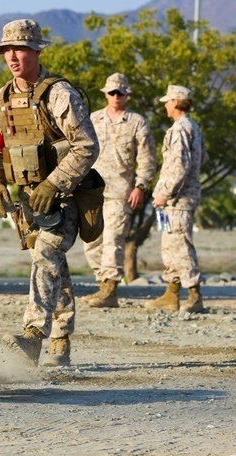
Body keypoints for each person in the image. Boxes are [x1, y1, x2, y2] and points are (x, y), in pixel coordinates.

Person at [0, 19, 99, 367]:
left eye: (20, 49)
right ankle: (61, 339)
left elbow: (86, 146)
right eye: (7, 50)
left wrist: (55, 183)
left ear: (36, 51)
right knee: (53, 267)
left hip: (66, 197)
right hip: (29, 200)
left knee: (46, 254)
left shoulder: (59, 94)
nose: (12, 57)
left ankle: (32, 337)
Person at [81, 73, 158, 308]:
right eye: (112, 92)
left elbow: (147, 158)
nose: (116, 96)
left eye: (120, 93)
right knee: (91, 241)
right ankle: (103, 281)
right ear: (105, 94)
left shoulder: (137, 123)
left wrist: (140, 185)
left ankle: (110, 289)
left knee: (114, 239)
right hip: (93, 190)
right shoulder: (93, 119)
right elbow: (81, 151)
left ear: (127, 95)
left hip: (121, 192)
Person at [147, 84, 208, 314]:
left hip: (177, 199)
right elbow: (203, 158)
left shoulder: (180, 129)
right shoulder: (193, 127)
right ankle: (171, 294)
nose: (165, 105)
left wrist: (166, 192)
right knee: (170, 245)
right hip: (178, 198)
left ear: (175, 102)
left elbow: (179, 166)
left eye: (167, 101)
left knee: (181, 246)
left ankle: (194, 295)